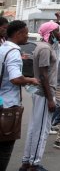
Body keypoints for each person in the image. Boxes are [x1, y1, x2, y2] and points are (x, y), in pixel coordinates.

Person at [20, 21, 60, 171]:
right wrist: (50, 99)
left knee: (34, 128)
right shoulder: (44, 48)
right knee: (41, 130)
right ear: (51, 33)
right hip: (45, 94)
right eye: (58, 31)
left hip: (42, 93)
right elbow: (43, 74)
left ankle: (27, 162)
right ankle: (34, 164)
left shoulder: (44, 46)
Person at [0, 21, 39, 171]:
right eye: (26, 33)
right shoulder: (13, 52)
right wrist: (31, 80)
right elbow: (15, 78)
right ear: (18, 34)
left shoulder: (3, 48)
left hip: (1, 99)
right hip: (8, 106)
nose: (27, 36)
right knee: (5, 147)